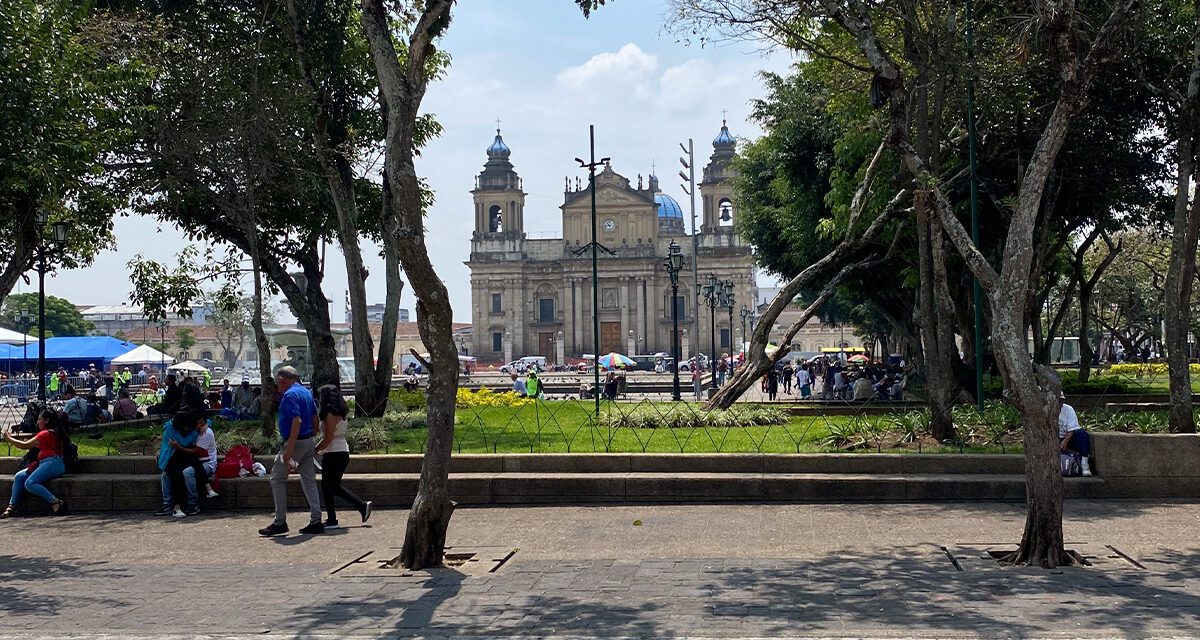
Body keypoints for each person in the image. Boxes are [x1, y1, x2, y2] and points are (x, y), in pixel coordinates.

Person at [259, 366, 323, 537]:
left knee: (277, 478)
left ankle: (280, 522)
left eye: (277, 382)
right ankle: (316, 519)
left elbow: (296, 421)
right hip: (307, 441)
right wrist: (312, 434)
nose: (276, 385)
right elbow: (314, 417)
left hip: (296, 442)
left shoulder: (289, 395)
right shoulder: (305, 392)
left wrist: (290, 447)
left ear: (282, 380)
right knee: (308, 480)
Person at [314, 385, 373, 529]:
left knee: (328, 486)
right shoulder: (340, 413)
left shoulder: (330, 414)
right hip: (340, 451)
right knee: (332, 486)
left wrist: (315, 450)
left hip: (334, 452)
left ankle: (335, 518)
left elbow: (328, 438)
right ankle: (358, 507)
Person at [2, 409, 71, 518]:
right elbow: (31, 443)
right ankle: (11, 507)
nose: (37, 422)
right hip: (49, 463)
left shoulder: (45, 434)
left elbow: (24, 445)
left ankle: (56, 502)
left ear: (47, 420)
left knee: (30, 483)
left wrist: (8, 438)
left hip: (52, 463)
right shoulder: (53, 432)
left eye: (39, 419)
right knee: (19, 476)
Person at [1058, 394, 1093, 476]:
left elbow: (1072, 429)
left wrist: (1065, 441)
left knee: (1082, 434)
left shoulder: (1068, 409)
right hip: (1052, 439)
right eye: (1058, 400)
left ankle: (1084, 465)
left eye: (1061, 400)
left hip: (1067, 438)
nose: (1060, 402)